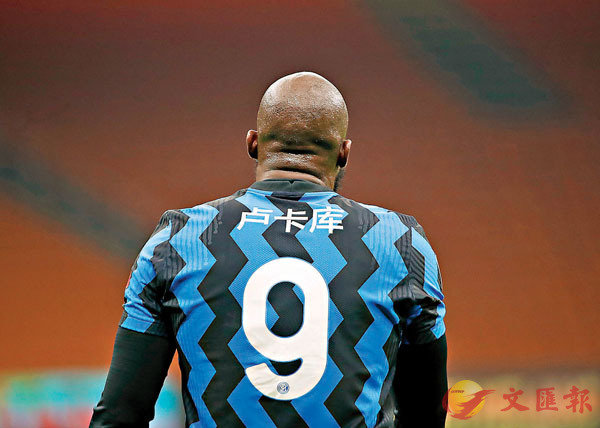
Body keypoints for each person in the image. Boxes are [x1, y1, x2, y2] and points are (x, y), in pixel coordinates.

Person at [90, 72, 447, 428]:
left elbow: (120, 415)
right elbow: (426, 414)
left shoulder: (179, 240)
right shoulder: (400, 244)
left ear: (253, 143)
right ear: (344, 152)